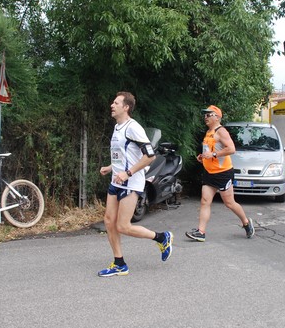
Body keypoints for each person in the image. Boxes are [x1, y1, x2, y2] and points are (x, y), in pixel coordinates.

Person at [98, 91, 173, 276]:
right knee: (109, 221)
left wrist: (127, 173)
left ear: (126, 107)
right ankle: (119, 263)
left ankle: (162, 237)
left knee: (123, 226)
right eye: (112, 102)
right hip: (117, 180)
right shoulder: (117, 127)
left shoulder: (133, 128)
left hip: (131, 182)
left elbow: (149, 156)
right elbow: (126, 155)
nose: (112, 105)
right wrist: (111, 167)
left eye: (116, 103)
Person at [185, 105, 255, 242]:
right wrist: (203, 157)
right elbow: (210, 151)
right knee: (205, 201)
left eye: (208, 115)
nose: (205, 117)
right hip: (209, 173)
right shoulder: (209, 132)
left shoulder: (221, 131)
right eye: (204, 115)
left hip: (223, 173)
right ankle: (201, 232)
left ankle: (246, 223)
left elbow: (232, 149)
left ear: (217, 117)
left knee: (229, 203)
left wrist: (214, 154)